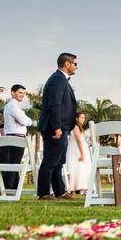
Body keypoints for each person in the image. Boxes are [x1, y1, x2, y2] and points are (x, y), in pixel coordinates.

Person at [37, 53, 78, 200]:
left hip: (62, 127)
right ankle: (43, 193)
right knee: (50, 160)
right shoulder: (57, 79)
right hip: (55, 127)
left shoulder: (61, 79)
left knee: (58, 161)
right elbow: (54, 104)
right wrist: (57, 127)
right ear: (67, 64)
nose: (76, 67)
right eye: (75, 64)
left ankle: (59, 191)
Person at [0, 84, 32, 192]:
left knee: (12, 164)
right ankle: (10, 188)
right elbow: (25, 121)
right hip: (15, 138)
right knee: (13, 164)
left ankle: (10, 188)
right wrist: (28, 120)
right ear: (13, 93)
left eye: (23, 93)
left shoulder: (15, 106)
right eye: (20, 92)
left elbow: (23, 120)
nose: (22, 95)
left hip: (14, 137)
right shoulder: (12, 106)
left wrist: (25, 119)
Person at [64, 111, 91, 195]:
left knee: (80, 168)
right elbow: (79, 141)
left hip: (77, 148)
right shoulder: (75, 127)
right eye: (81, 117)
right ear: (76, 118)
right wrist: (82, 153)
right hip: (76, 150)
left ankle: (78, 188)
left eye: (84, 117)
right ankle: (73, 188)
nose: (83, 119)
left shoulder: (78, 127)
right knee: (75, 168)